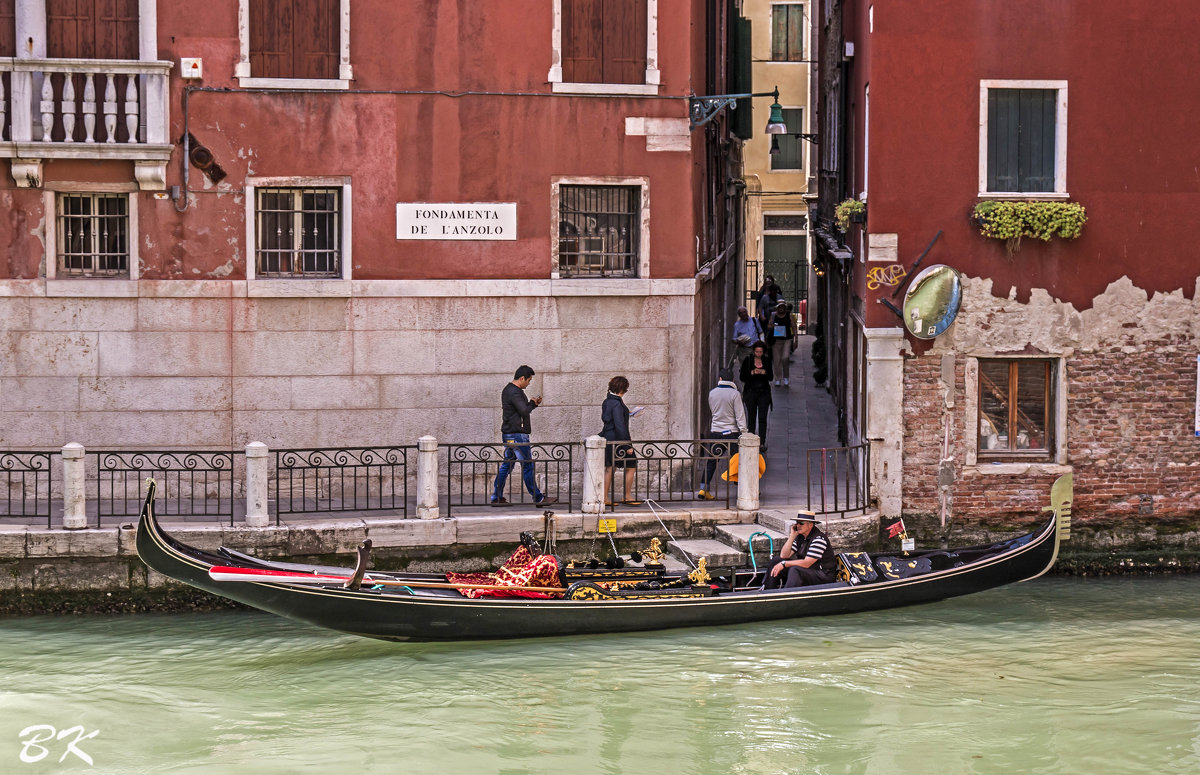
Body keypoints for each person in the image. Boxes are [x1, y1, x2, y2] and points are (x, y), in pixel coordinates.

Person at [491, 365, 556, 506]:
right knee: (527, 466)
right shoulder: (514, 392)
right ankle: (538, 498)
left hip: (509, 434)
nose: (529, 383)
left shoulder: (509, 390)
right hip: (517, 435)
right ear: (522, 378)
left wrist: (532, 404)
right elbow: (524, 411)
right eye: (529, 380)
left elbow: (520, 410)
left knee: (506, 466)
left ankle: (496, 497)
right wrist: (532, 403)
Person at [697, 368, 748, 500]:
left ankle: (703, 489)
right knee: (740, 460)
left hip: (715, 432)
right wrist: (744, 431)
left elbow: (714, 411)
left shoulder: (712, 393)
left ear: (720, 379)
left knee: (712, 461)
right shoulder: (735, 394)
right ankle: (745, 487)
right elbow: (740, 415)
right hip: (731, 433)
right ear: (732, 380)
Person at [765, 511, 837, 588]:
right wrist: (792, 536)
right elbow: (784, 555)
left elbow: (806, 563)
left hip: (823, 575)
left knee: (795, 570)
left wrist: (784, 564)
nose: (798, 525)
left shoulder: (819, 539)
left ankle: (787, 595)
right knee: (776, 560)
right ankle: (767, 589)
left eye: (801, 523)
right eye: (797, 523)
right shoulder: (801, 537)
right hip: (808, 570)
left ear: (810, 525)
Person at [599, 375, 640, 506]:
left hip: (609, 436)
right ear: (622, 389)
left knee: (610, 468)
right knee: (631, 465)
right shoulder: (617, 403)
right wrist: (627, 445)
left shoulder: (608, 401)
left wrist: (627, 414)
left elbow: (609, 418)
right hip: (618, 439)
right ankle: (627, 496)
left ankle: (604, 497)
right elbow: (619, 425)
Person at [739, 341, 773, 453]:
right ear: (754, 351)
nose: (759, 353)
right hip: (751, 392)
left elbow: (771, 377)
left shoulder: (767, 361)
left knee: (762, 418)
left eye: (761, 352)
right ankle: (751, 440)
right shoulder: (748, 361)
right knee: (751, 418)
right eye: (757, 351)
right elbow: (742, 377)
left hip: (763, 392)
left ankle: (762, 442)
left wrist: (764, 372)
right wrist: (752, 372)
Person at [766, 300, 797, 387]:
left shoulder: (788, 315)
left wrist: (796, 340)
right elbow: (768, 326)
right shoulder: (773, 315)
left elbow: (794, 327)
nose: (781, 308)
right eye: (779, 307)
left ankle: (786, 377)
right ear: (777, 307)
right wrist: (773, 326)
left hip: (787, 339)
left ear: (785, 307)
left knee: (785, 357)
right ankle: (778, 378)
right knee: (777, 360)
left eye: (783, 307)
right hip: (776, 340)